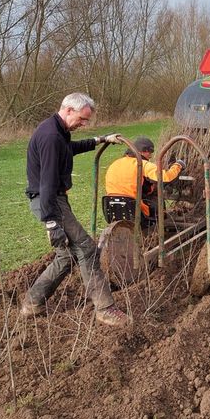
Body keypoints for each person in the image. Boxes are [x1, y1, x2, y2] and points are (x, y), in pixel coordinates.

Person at [21, 92, 128, 327]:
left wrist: (102, 139)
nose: (83, 124)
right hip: (49, 200)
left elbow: (71, 148)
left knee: (67, 255)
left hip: (52, 199)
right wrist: (51, 222)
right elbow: (46, 182)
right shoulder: (50, 137)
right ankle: (105, 309)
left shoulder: (58, 131)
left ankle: (33, 302)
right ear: (68, 110)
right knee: (87, 249)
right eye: (82, 119)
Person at [104, 136, 185, 226]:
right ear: (144, 150)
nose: (150, 156)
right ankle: (158, 224)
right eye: (150, 152)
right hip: (135, 209)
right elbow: (165, 177)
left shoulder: (115, 164)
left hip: (112, 208)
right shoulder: (142, 164)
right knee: (156, 197)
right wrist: (178, 165)